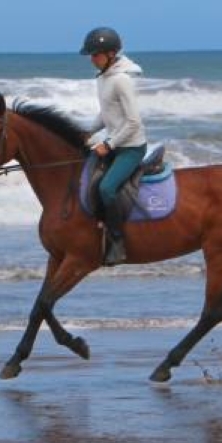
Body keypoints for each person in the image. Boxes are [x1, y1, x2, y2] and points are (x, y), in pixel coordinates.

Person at [79, 26, 147, 265]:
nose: (92, 59)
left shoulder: (121, 81)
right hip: (116, 144)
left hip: (131, 148)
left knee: (107, 188)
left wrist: (108, 144)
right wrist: (89, 131)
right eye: (90, 54)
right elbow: (106, 113)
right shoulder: (103, 78)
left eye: (96, 54)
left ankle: (118, 242)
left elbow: (133, 122)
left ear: (111, 54)